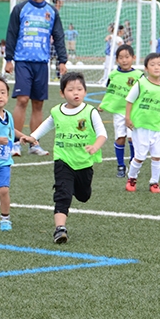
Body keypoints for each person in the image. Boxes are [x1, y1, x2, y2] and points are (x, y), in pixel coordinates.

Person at [22, 72, 106, 243]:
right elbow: (47, 124)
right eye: (71, 90)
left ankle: (73, 188)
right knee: (62, 194)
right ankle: (60, 229)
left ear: (85, 91)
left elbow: (102, 134)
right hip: (63, 159)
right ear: (62, 93)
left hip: (83, 162)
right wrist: (33, 137)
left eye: (80, 89)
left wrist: (95, 146)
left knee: (83, 196)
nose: (76, 93)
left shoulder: (90, 112)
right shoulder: (57, 111)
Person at [5, 0, 67, 157]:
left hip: (42, 63)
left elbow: (59, 36)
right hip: (23, 60)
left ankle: (33, 143)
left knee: (38, 103)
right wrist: (8, 59)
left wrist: (62, 60)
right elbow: (11, 33)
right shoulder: (20, 9)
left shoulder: (52, 12)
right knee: (23, 100)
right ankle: (15, 143)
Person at [124, 52, 160, 193]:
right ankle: (132, 178)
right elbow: (129, 100)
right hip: (140, 125)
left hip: (158, 126)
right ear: (146, 68)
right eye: (152, 65)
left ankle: (154, 182)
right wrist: (127, 118)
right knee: (140, 156)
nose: (156, 67)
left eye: (159, 64)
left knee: (157, 155)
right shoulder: (141, 83)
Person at [98, 44, 143, 178]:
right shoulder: (113, 74)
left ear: (133, 58)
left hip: (133, 112)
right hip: (119, 112)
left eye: (127, 57)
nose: (124, 60)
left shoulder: (139, 75)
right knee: (120, 138)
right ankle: (120, 165)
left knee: (132, 138)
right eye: (121, 58)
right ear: (117, 60)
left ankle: (132, 164)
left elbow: (144, 92)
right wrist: (103, 104)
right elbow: (110, 92)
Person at [0, 74, 29, 231]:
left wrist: (23, 137)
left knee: (3, 189)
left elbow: (11, 130)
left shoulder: (8, 115)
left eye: (2, 92)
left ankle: (5, 218)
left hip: (3, 161)